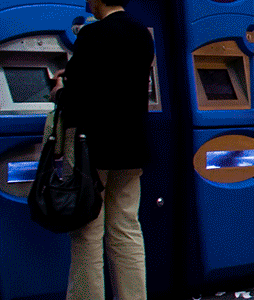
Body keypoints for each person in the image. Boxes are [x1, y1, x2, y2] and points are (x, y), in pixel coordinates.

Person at [58, 0, 152, 297]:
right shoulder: (142, 34)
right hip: (131, 146)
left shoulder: (92, 35)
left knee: (88, 232)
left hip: (93, 151)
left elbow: (77, 97)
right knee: (126, 228)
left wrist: (60, 91)